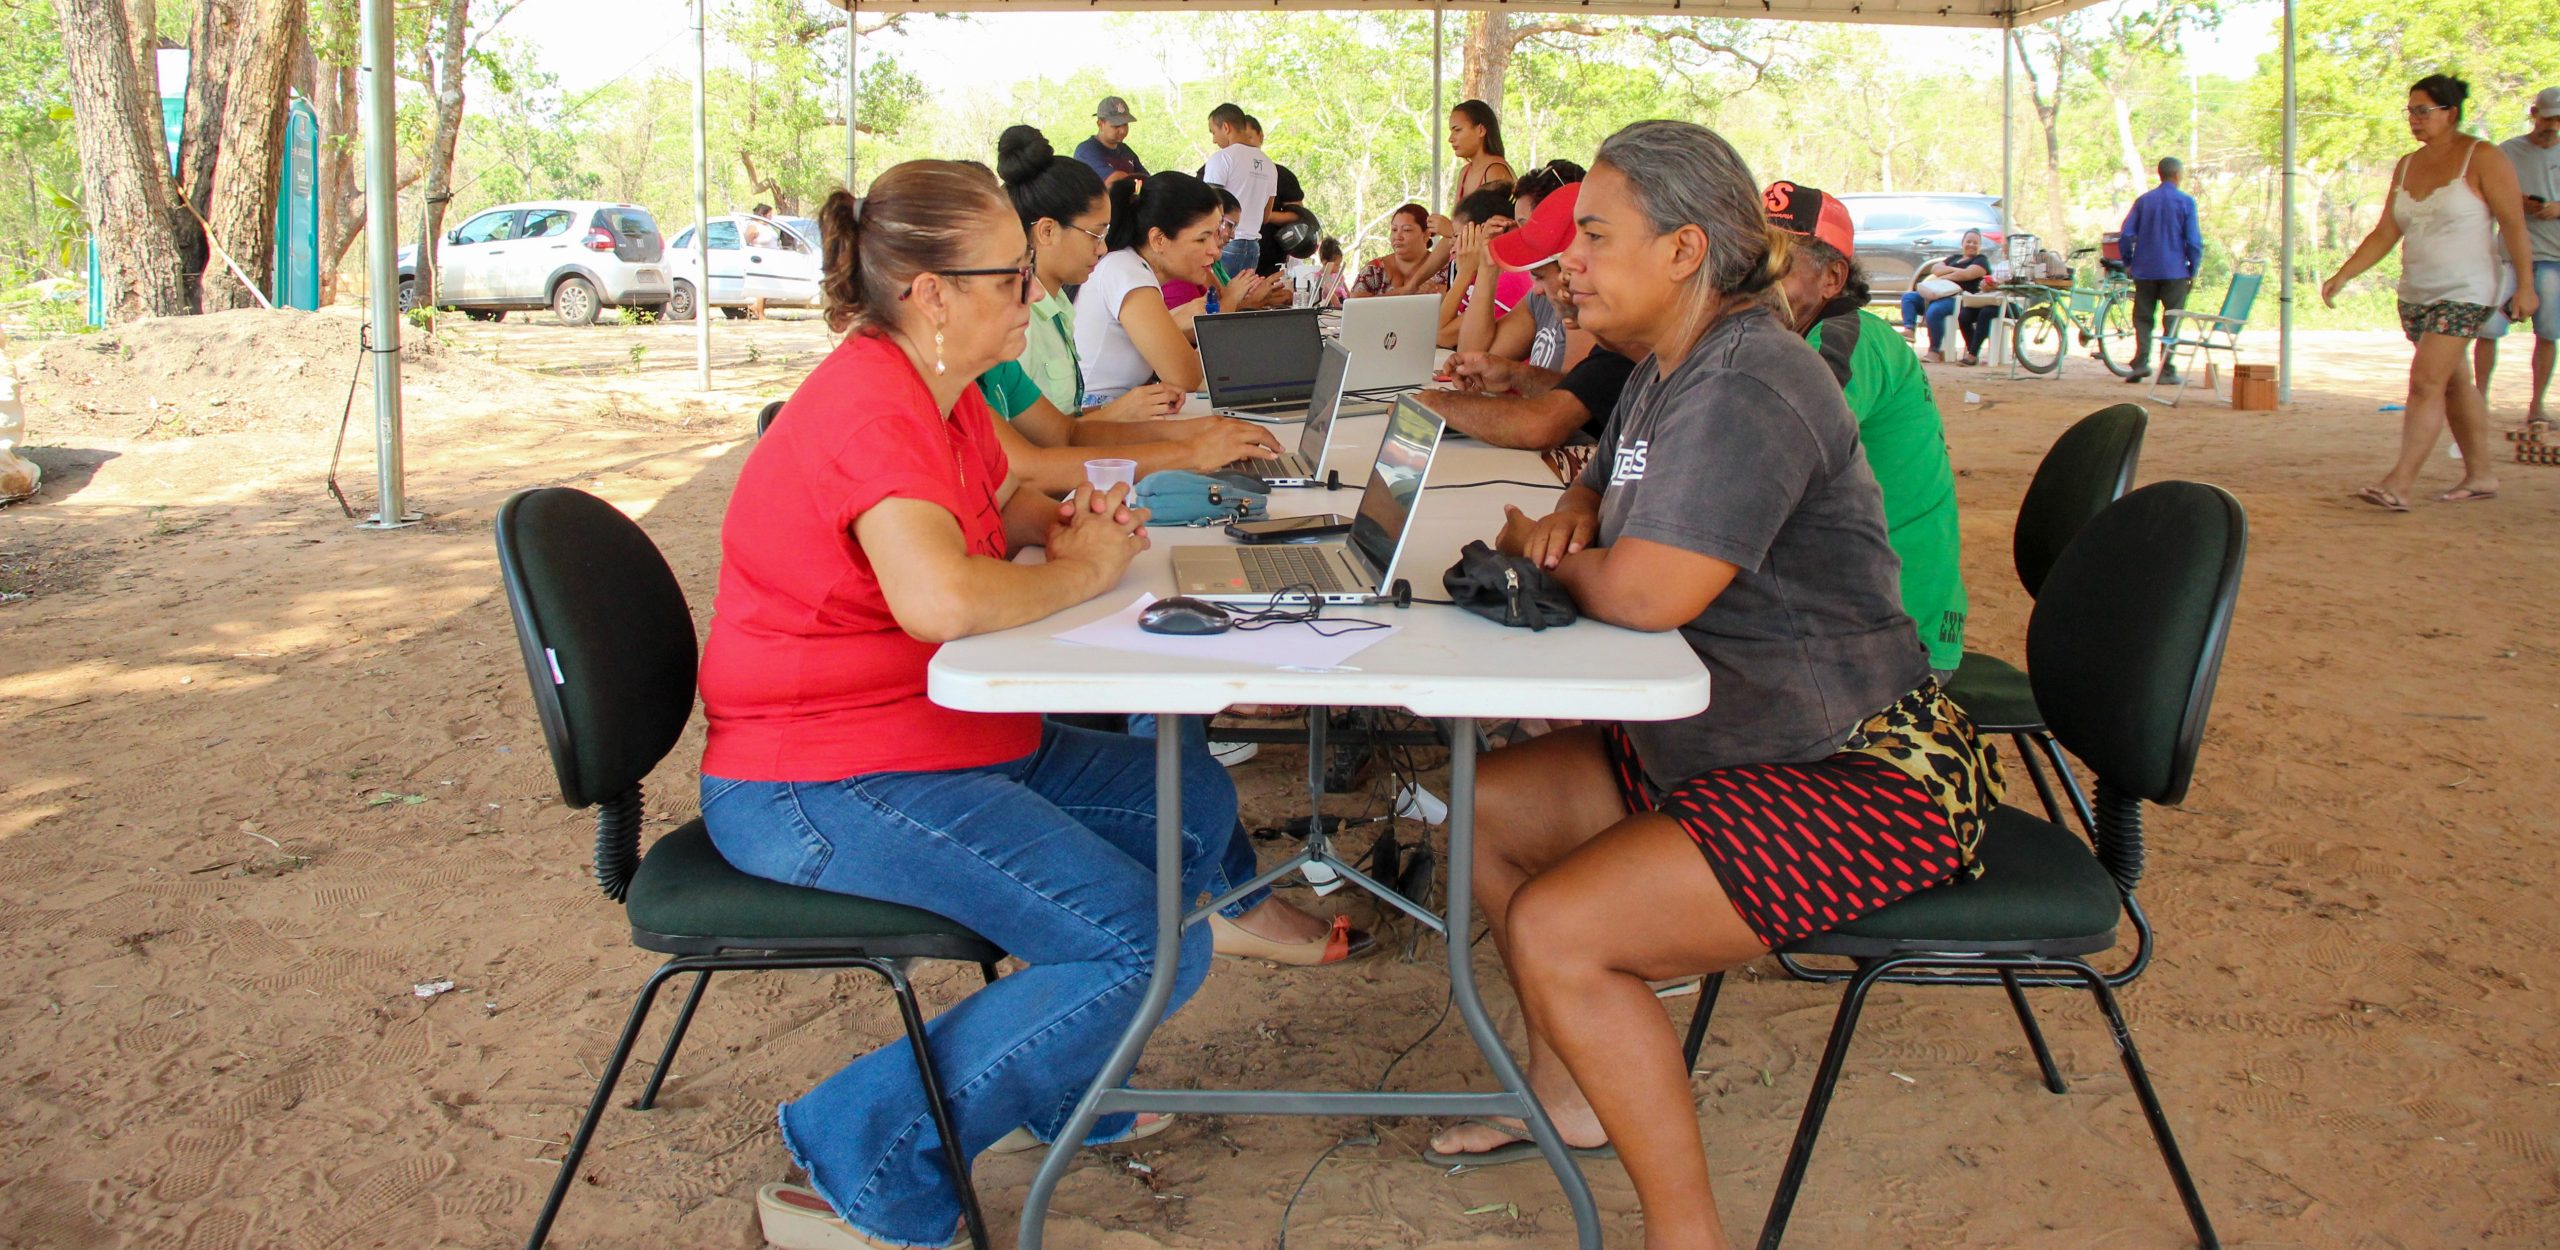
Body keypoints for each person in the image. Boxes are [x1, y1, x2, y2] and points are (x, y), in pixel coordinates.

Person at [1417, 124, 2002, 1250]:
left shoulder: (1750, 375)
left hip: (1860, 771)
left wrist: (1548, 556)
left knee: (1561, 928)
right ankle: (1571, 1088)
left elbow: (1645, 593)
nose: (1566, 263)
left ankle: (1687, 1236)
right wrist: (1572, 517)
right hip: (1729, 742)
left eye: (1592, 234)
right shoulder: (1669, 368)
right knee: (1480, 808)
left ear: (1684, 249)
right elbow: (1598, 484)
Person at [699, 160, 1229, 1250]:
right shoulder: (870, 409)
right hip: (819, 778)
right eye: (1010, 274)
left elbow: (1003, 500)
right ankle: (864, 1159)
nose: (1032, 292)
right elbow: (939, 595)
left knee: (1192, 805)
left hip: (931, 735)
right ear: (931, 291)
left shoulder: (938, 394)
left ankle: (1051, 1070)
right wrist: (1081, 571)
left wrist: (1068, 517)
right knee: (1141, 945)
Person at [981, 126, 1283, 492]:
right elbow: (1031, 465)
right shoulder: (1113, 276)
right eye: (1095, 235)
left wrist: (1198, 432)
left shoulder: (1054, 306)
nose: (1104, 248)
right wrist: (1190, 450)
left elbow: (1065, 431)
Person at [1765, 180, 1970, 678]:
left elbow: (1766, 460)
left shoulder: (1841, 342)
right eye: (1753, 261)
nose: (1757, 283)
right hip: (1848, 612)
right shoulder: (1801, 337)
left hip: (1893, 635)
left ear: (1833, 278)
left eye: (1780, 266)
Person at [2324, 74, 2540, 509]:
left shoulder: (2482, 157)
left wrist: (2527, 287)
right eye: (2411, 111)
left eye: (2424, 111)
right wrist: (2344, 274)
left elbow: (2514, 223)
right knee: (2455, 382)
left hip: (2467, 289)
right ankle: (2481, 474)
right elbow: (2387, 230)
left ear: (2451, 113)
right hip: (2417, 290)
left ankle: (2399, 483)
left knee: (2426, 382)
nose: (2415, 120)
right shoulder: (2407, 164)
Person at [1420, 182, 1639, 450]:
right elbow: (1577, 388)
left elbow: (1544, 423)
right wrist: (1513, 373)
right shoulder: (1563, 311)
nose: (1535, 288)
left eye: (1539, 274)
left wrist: (1432, 403)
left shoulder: (1621, 337)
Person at [1074, 171, 1224, 403]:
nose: (1215, 250)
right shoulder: (1127, 271)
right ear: (1158, 239)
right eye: (1202, 239)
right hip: (1095, 411)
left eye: (1216, 235)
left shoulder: (1131, 267)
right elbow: (1185, 377)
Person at [2479, 87, 2560, 430]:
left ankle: (2537, 404)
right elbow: (2483, 193)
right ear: (2533, 113)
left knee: (2548, 332)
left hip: (2553, 256)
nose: (2552, 126)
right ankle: (2478, 399)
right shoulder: (2507, 152)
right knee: (2488, 328)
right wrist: (2515, 201)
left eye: (2558, 121)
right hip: (2510, 256)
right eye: (2547, 118)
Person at [1457, 160, 1587, 369]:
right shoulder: (1541, 295)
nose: (1520, 236)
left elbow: (1571, 398)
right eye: (1517, 226)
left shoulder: (1585, 301)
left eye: (1526, 225)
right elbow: (1472, 360)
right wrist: (1488, 265)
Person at [2118, 156, 2205, 384]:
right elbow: (2193, 241)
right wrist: (2193, 268)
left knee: (2143, 317)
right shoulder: (2185, 202)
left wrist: (2128, 261)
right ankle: (2166, 370)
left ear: (2160, 174)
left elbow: (2126, 234)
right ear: (2177, 175)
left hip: (2145, 270)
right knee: (2172, 320)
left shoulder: (2144, 201)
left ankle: (2140, 363)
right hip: (2175, 271)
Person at [1158, 187, 1286, 318]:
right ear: (1159, 240)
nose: (1232, 236)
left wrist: (1260, 299)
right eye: (1202, 239)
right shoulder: (1177, 275)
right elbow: (1207, 326)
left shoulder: (1203, 268)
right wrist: (1240, 300)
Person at [1437, 185, 1536, 348]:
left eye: (1457, 237)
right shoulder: (1479, 274)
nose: (1452, 246)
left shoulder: (1512, 279)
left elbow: (1442, 336)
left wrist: (1464, 272)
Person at [1200, 103, 1277, 281]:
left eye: (1213, 132)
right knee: (1244, 303)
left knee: (1220, 302)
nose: (1213, 140)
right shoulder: (1269, 164)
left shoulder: (1222, 158)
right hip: (1253, 247)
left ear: (1225, 127)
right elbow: (1266, 216)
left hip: (1225, 243)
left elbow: (1208, 208)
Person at [1897, 230, 1995, 364]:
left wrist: (1944, 275)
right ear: (1962, 243)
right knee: (1909, 297)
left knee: (1935, 311)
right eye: (1968, 241)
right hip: (1935, 292)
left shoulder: (1981, 260)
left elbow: (1968, 275)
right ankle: (1909, 329)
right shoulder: (1953, 258)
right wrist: (1958, 271)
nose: (1971, 245)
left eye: (1975, 243)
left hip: (1956, 298)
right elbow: (1935, 269)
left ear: (1980, 246)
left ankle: (1934, 351)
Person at [1349, 203, 1450, 298]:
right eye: (1394, 230)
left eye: (1406, 230)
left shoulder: (1444, 270)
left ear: (1426, 235)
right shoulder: (1374, 271)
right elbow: (1355, 308)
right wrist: (1405, 292)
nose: (1397, 236)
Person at [1447, 99, 1517, 208]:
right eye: (1451, 132)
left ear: (1481, 130)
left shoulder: (1495, 171)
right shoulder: (1464, 172)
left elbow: (1497, 222)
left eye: (1458, 130)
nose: (1451, 138)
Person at [1074, 96, 1148, 187]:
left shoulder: (1125, 150)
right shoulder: (1086, 150)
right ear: (1100, 124)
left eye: (1125, 124)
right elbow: (1114, 181)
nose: (1123, 130)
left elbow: (1148, 179)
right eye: (1116, 126)